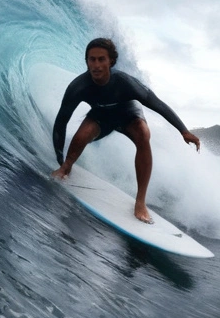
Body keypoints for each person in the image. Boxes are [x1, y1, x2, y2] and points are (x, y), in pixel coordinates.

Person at [50, 38, 200, 223]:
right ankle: (66, 168)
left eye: (101, 59)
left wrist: (183, 130)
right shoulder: (78, 87)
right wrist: (59, 157)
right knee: (81, 136)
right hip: (101, 117)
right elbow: (61, 122)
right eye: (92, 59)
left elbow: (158, 104)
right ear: (87, 61)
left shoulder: (125, 83)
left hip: (129, 117)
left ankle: (140, 202)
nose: (96, 65)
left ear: (111, 61)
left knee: (143, 134)